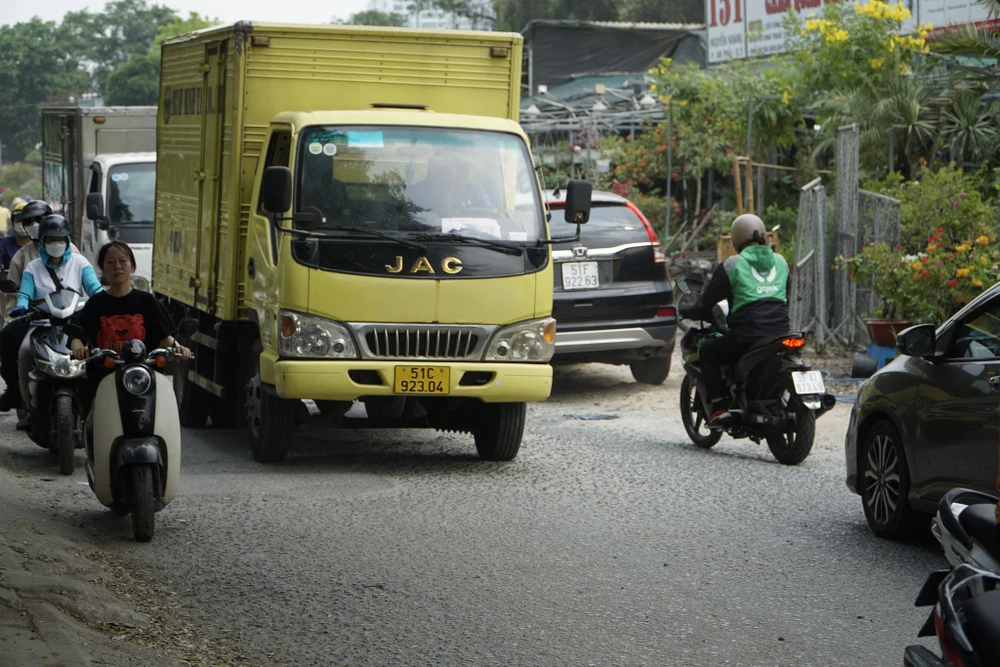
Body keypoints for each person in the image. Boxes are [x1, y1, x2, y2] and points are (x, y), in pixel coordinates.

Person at [679, 214, 790, 427]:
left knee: (708, 352)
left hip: (747, 336)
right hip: (781, 333)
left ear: (736, 240)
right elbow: (785, 299)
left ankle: (719, 408)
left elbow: (705, 304)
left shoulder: (733, 265)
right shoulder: (781, 262)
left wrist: (688, 310)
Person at [12, 214, 102, 430]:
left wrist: (103, 301)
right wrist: (22, 305)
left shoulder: (80, 262)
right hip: (43, 325)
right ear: (41, 241)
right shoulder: (33, 267)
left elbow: (94, 289)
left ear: (68, 240)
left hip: (77, 324)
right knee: (24, 353)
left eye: (60, 239)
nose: (56, 244)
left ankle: (100, 408)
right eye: (51, 240)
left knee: (99, 355)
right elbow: (25, 293)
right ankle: (28, 407)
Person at [0, 201, 82, 413]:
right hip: (34, 318)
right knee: (9, 339)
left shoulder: (73, 251)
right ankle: (17, 392)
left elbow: (88, 285)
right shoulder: (22, 257)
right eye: (29, 221)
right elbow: (13, 296)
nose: (35, 224)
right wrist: (17, 313)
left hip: (69, 316)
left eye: (40, 219)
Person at [70, 240, 191, 362]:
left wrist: (178, 348)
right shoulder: (95, 303)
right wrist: (78, 349)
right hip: (104, 374)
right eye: (110, 262)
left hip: (143, 372)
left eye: (122, 261)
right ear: (103, 269)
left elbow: (164, 337)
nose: (117, 266)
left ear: (132, 266)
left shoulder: (147, 301)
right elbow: (76, 337)